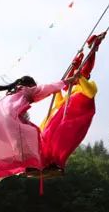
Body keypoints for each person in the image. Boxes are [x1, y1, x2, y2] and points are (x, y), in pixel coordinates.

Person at [0, 75, 76, 182]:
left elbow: (39, 95)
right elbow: (44, 89)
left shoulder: (12, 94)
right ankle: (33, 164)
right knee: (33, 133)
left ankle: (28, 166)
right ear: (30, 85)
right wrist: (66, 82)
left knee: (15, 143)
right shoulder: (26, 90)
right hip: (5, 120)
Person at [40, 33, 105, 173]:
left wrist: (79, 76)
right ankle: (44, 161)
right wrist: (57, 90)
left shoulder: (90, 86)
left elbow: (90, 92)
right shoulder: (74, 89)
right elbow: (60, 104)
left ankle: (55, 162)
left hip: (72, 123)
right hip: (62, 119)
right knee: (47, 135)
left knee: (60, 140)